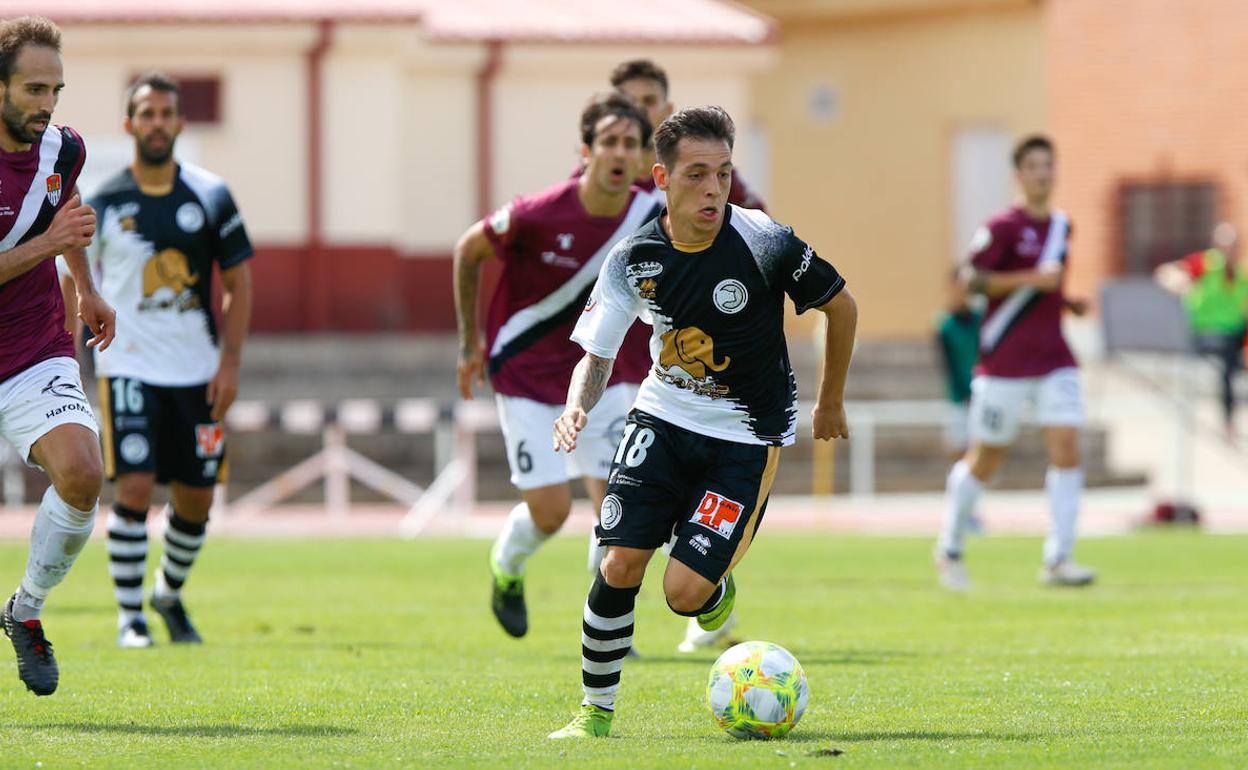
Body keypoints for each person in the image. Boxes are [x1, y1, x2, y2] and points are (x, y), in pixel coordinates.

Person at [548, 106, 856, 739]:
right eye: (696, 174)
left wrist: (829, 402)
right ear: (662, 177)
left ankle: (713, 588)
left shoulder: (764, 240)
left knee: (684, 593)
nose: (713, 188)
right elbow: (596, 355)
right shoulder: (635, 257)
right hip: (661, 419)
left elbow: (842, 306)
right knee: (618, 565)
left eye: (722, 173)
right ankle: (594, 715)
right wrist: (578, 403)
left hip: (746, 437)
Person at [455, 93, 657, 639]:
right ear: (586, 150)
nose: (619, 152)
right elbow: (468, 250)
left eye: (630, 144)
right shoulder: (536, 213)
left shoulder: (652, 214)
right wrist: (470, 342)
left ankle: (609, 628)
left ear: (642, 157)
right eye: (609, 141)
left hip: (602, 378)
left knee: (617, 506)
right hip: (525, 377)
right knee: (550, 514)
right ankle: (507, 568)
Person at [65, 73, 254, 647]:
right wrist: (71, 366)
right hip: (129, 367)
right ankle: (130, 618)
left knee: (196, 497)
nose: (156, 122)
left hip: (197, 372)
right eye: (145, 113)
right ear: (130, 125)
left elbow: (239, 285)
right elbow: (78, 287)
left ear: (179, 123)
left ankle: (167, 593)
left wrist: (230, 364)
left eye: (165, 112)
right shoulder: (104, 202)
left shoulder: (211, 194)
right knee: (135, 486)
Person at [606, 57, 763, 653]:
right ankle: (617, 640)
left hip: (702, 377)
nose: (636, 113)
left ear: (663, 110)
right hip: (626, 368)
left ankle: (704, 592)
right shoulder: (600, 184)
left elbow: (760, 252)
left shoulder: (712, 185)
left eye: (647, 102)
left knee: (682, 554)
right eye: (626, 102)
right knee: (616, 517)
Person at [0, 16, 116, 696]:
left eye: (56, 91)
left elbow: (60, 204)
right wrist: (53, 247)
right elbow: (49, 232)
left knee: (81, 473)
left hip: (35, 346)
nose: (46, 106)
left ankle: (26, 610)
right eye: (32, 89)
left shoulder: (60, 148)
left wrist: (89, 287)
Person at [934, 135, 1095, 592]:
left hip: (1055, 358)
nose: (1043, 172)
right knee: (987, 457)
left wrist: (1068, 303)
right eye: (1034, 165)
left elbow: (1049, 288)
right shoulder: (1002, 225)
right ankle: (950, 544)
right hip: (1005, 361)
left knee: (1067, 446)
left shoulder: (1063, 226)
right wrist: (1032, 279)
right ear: (1019, 174)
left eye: (1049, 164)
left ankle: (1059, 557)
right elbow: (972, 279)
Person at [1154, 222, 1247, 442]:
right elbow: (1165, 272)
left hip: (1233, 335)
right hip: (1206, 334)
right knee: (1228, 364)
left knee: (1232, 363)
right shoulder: (1205, 264)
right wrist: (1180, 285)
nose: (1229, 250)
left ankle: (1229, 419)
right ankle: (1227, 422)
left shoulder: (1241, 274)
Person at [934, 269, 982, 458]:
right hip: (958, 396)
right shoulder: (944, 325)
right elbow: (948, 366)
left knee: (981, 449)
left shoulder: (981, 320)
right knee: (958, 448)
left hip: (981, 394)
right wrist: (964, 394)